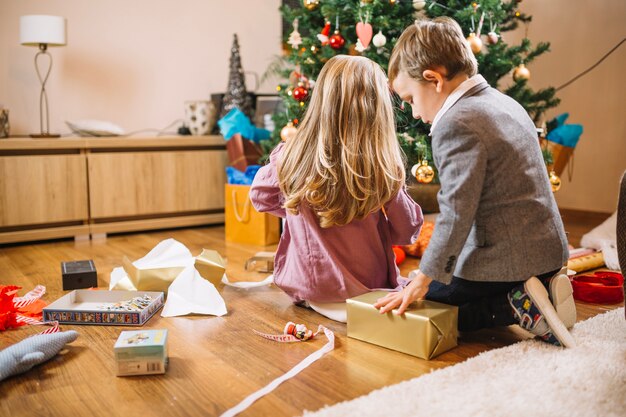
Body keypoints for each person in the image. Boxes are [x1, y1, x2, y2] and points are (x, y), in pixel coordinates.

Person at [374, 17, 577, 347]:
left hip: (510, 259)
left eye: (410, 99)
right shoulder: (503, 101)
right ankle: (544, 285)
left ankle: (514, 304)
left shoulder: (456, 124)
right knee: (432, 282)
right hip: (548, 250)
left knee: (428, 304)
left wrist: (423, 280)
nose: (412, 113)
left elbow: (455, 214)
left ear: (434, 80)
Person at [250, 55, 424, 323]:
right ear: (378, 109)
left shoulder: (290, 156)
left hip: (314, 289)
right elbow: (406, 231)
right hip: (370, 289)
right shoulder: (382, 166)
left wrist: (300, 213)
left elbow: (260, 197)